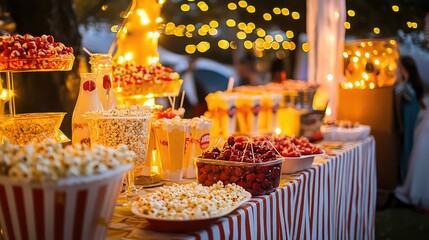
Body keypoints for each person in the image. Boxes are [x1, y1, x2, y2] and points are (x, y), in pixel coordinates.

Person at [394, 56, 429, 212]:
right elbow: (397, 106)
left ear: (404, 68)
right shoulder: (402, 86)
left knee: (414, 148)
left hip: (416, 120)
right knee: (407, 147)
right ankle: (404, 179)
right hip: (408, 121)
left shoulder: (412, 84)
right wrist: (400, 123)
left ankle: (409, 180)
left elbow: (420, 101)